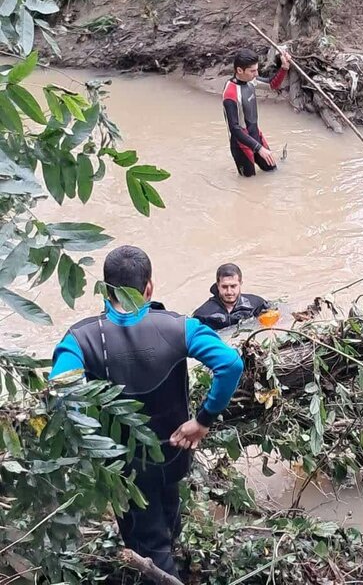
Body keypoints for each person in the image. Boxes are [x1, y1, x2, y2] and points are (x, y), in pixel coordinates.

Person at [49, 246, 244, 579]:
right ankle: (174, 548)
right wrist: (202, 420)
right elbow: (230, 364)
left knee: (149, 545)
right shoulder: (181, 327)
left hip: (124, 471)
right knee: (169, 508)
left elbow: (61, 396)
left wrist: (90, 444)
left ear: (106, 289)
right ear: (149, 287)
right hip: (175, 452)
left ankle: (165, 569)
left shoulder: (80, 340)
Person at [223, 47, 291, 177]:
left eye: (257, 69)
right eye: (252, 71)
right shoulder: (230, 93)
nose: (257, 74)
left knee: (272, 172)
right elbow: (235, 129)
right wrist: (259, 149)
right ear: (239, 70)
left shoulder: (251, 81)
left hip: (256, 137)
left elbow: (272, 85)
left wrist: (284, 68)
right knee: (248, 185)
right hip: (241, 146)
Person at [193, 263, 269, 331]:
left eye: (233, 286)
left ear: (240, 284)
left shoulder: (257, 304)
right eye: (224, 287)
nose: (229, 292)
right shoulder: (203, 314)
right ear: (218, 286)